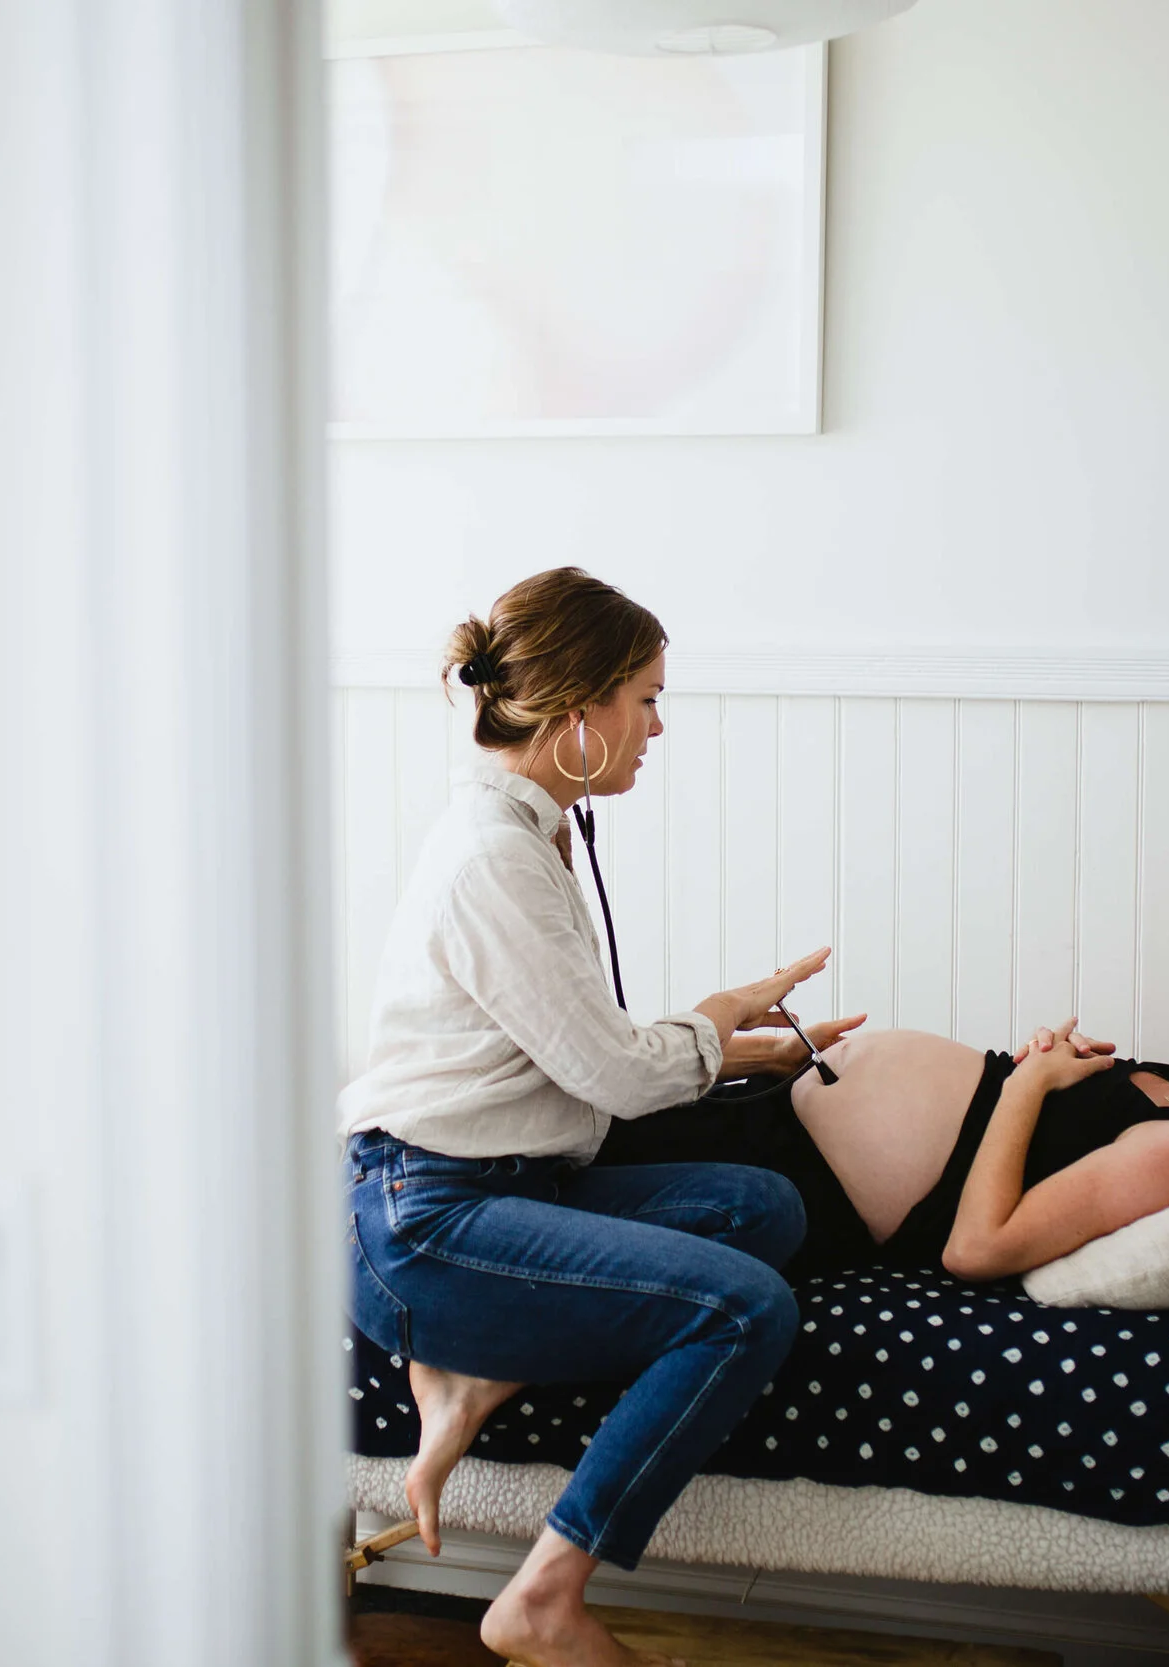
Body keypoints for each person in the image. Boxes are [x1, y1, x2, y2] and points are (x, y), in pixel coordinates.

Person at [340, 568, 864, 1667]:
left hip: (501, 1184)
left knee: (760, 1206)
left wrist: (736, 1041)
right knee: (744, 1310)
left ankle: (472, 1376)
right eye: (647, 698)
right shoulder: (493, 857)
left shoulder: (527, 832)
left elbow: (580, 1052)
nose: (657, 727)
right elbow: (616, 1076)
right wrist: (718, 1019)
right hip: (424, 1221)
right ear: (581, 713)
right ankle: (542, 1594)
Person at [599, 959, 1169, 1283]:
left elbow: (977, 1248)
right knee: (580, 1108)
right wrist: (1042, 1070)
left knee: (574, 1147)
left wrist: (1028, 1086)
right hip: (778, 1107)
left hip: (806, 1179)